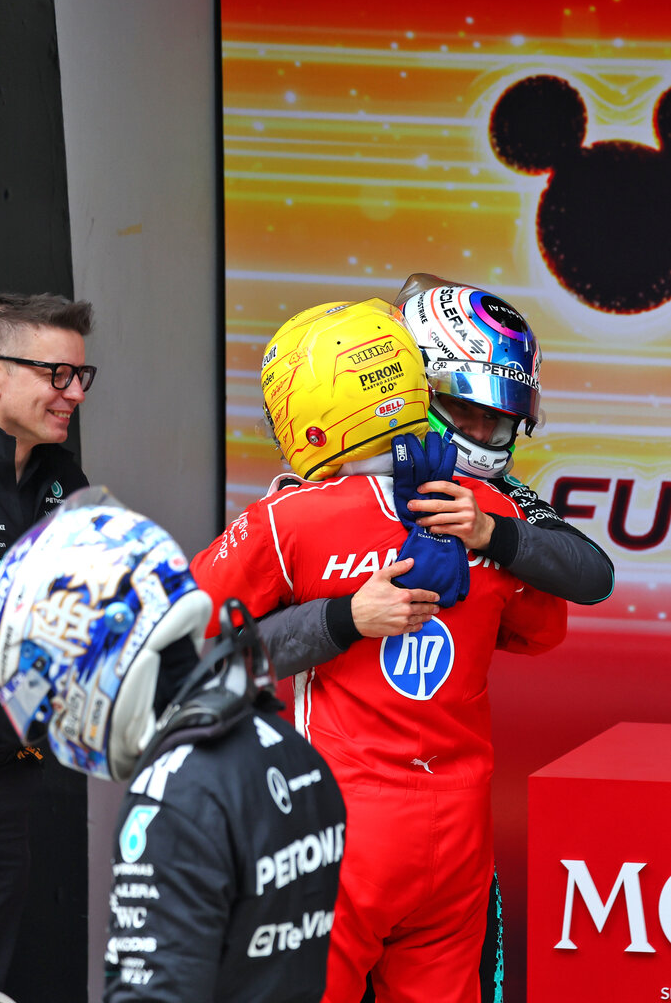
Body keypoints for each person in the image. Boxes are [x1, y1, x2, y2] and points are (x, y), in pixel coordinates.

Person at [190, 298, 568, 1003]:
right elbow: (543, 632)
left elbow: (183, 654)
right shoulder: (495, 517)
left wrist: (336, 619)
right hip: (458, 833)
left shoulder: (286, 520)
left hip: (332, 828)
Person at [0, 488, 346, 1003]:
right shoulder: (288, 748)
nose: (56, 716)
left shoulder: (172, 797)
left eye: (50, 691)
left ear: (95, 644)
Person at [0, 292, 94, 1003]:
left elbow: (113, 601)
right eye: (55, 375)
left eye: (80, 376)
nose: (72, 394)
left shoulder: (62, 475)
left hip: (11, 784)